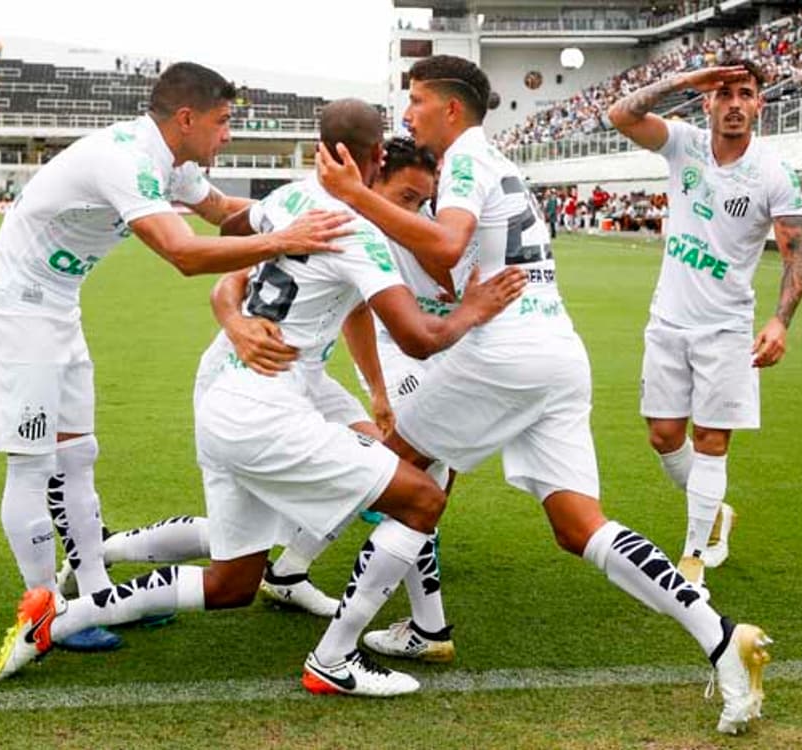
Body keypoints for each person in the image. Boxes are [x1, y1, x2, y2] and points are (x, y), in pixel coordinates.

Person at [0, 99, 527, 696]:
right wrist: (474, 309)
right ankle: (335, 658)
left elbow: (240, 240)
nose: (414, 212)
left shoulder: (292, 199)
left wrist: (240, 317)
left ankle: (60, 617)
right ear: (374, 158)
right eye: (407, 200)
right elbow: (418, 340)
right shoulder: (358, 232)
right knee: (419, 498)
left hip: (242, 397)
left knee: (231, 582)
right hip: (265, 406)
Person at [317, 54, 772, 735]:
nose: (407, 112)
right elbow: (452, 266)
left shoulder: (466, 157)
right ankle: (721, 637)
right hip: (557, 355)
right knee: (578, 527)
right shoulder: (493, 164)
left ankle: (336, 651)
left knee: (403, 478)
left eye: (415, 99)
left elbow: (446, 244)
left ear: (450, 108)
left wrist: (358, 199)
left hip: (504, 354)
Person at [0, 62, 352, 660]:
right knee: (33, 462)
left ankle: (92, 593)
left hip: (57, 305)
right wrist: (284, 240)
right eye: (222, 123)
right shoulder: (125, 157)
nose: (227, 135)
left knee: (78, 453)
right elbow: (183, 253)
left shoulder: (178, 162)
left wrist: (316, 202)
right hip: (14, 308)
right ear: (186, 118)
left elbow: (227, 212)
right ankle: (41, 605)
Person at [603, 62, 802, 592]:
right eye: (724, 94)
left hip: (726, 327)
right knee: (664, 435)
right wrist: (682, 80)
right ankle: (716, 513)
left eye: (745, 93)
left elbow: (796, 254)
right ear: (708, 104)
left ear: (760, 104)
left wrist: (780, 321)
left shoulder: (773, 173)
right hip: (668, 320)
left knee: (712, 438)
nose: (735, 103)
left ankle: (692, 554)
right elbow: (620, 115)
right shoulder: (684, 145)